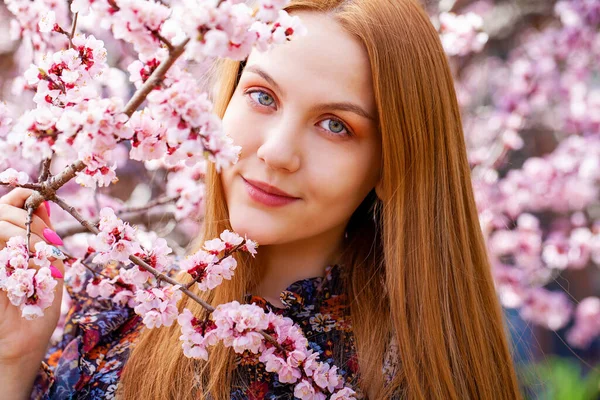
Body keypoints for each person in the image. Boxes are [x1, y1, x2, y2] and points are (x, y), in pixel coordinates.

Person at [0, 0, 524, 398]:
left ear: (392, 164)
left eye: (335, 125)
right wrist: (14, 362)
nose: (276, 152)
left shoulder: (388, 381)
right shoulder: (113, 312)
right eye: (262, 96)